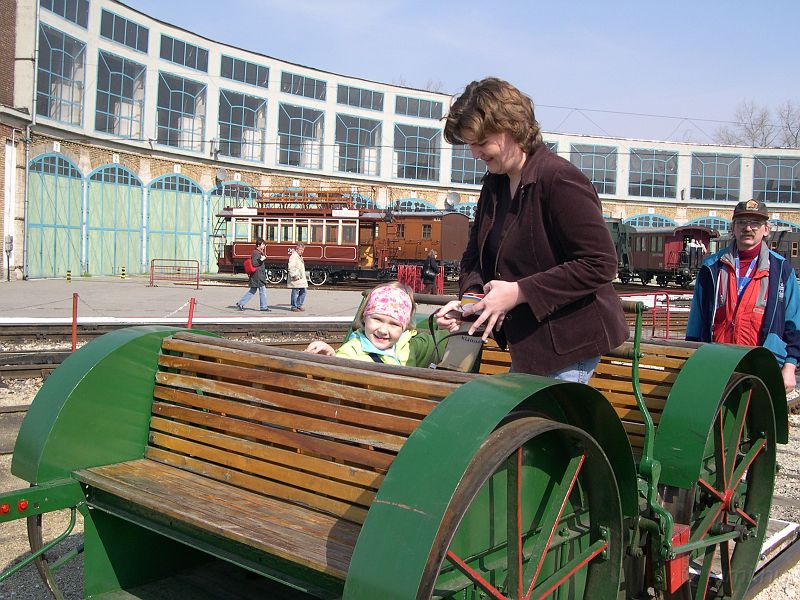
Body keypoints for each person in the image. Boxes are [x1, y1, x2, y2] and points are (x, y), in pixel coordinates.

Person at [434, 77, 628, 382]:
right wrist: (471, 302)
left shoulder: (560, 180)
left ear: (511, 128)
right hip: (533, 345)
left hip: (568, 344)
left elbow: (600, 263)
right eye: (470, 144)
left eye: (481, 143)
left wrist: (518, 292)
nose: (474, 154)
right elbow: (474, 256)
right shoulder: (494, 185)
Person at [686, 198, 800, 393]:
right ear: (732, 228)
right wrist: (690, 354)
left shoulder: (782, 270)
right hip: (717, 360)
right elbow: (697, 318)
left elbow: (794, 322)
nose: (748, 228)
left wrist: (790, 366)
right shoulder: (712, 266)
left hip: (763, 364)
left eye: (755, 223)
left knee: (757, 412)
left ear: (766, 229)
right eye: (741, 222)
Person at [305, 282, 444, 367]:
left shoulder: (409, 346)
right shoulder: (351, 352)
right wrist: (331, 360)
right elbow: (333, 378)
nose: (383, 330)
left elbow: (445, 339)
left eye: (394, 324)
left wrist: (455, 317)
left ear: (404, 327)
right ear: (364, 318)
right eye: (377, 319)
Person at [235, 238, 271, 312]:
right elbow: (254, 263)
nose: (264, 246)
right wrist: (261, 259)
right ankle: (263, 307)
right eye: (263, 244)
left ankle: (240, 303)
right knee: (262, 290)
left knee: (253, 290)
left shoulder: (258, 252)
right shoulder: (256, 253)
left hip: (257, 275)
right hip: (257, 276)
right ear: (258, 245)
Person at [287, 242, 308, 312]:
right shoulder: (293, 256)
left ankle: (299, 305)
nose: (302, 251)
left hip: (300, 278)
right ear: (297, 249)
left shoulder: (299, 256)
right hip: (296, 278)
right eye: (301, 250)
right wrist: (294, 275)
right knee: (295, 291)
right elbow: (291, 267)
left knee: (303, 291)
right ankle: (294, 306)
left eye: (303, 250)